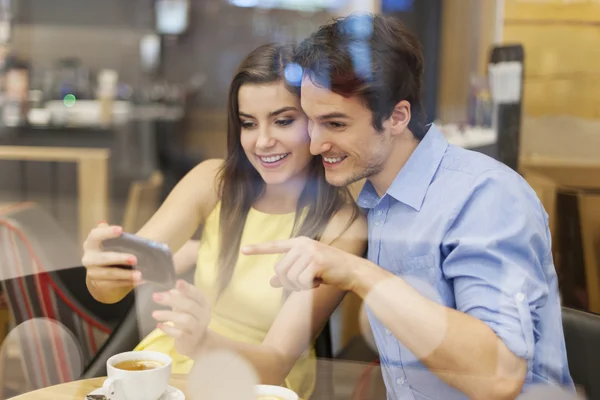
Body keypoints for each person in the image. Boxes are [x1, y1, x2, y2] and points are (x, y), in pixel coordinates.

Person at [242, 14, 574, 399]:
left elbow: (499, 376)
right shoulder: (378, 203)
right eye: (311, 123)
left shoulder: (486, 197)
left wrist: (356, 272)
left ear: (397, 117)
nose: (315, 145)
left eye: (335, 124)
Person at [82, 43, 367, 399]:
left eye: (283, 120)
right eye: (248, 123)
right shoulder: (212, 182)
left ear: (315, 120)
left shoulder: (342, 227)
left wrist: (203, 341)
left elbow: (276, 364)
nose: (262, 141)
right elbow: (113, 288)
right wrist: (101, 269)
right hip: (171, 367)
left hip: (259, 384)